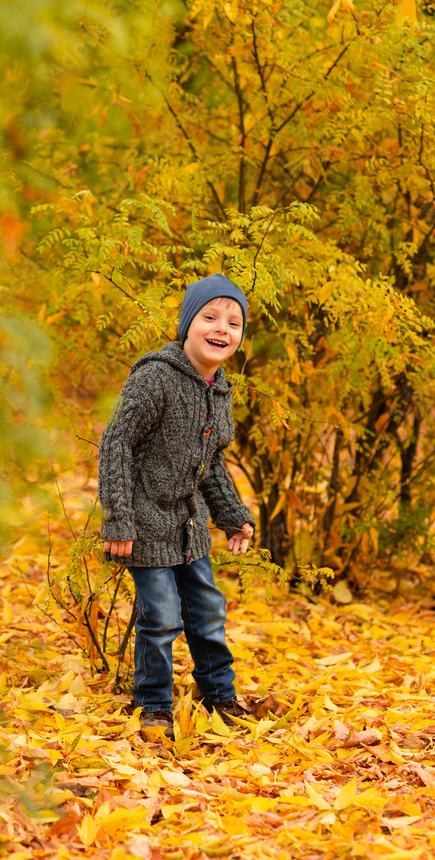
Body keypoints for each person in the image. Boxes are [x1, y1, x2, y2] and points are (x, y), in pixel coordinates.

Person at [97, 273, 256, 740]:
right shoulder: (156, 379)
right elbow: (116, 445)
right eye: (210, 317)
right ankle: (154, 705)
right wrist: (119, 519)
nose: (221, 329)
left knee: (207, 610)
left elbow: (210, 464)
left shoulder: (218, 390)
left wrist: (232, 516)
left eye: (233, 322)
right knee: (162, 617)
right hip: (145, 524)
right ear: (188, 323)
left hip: (190, 527)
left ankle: (218, 693)